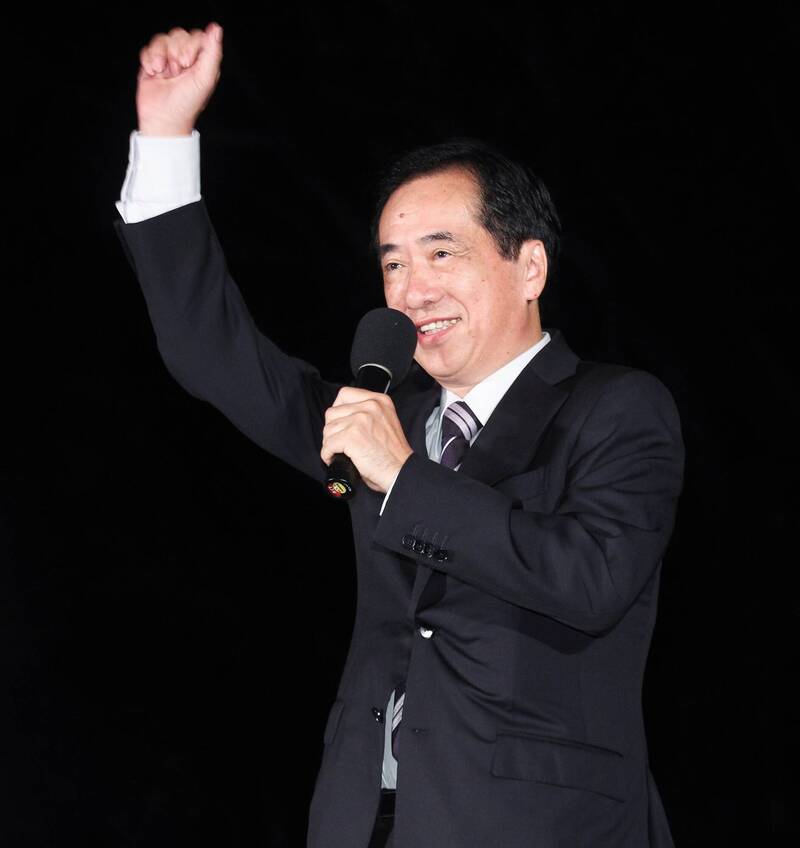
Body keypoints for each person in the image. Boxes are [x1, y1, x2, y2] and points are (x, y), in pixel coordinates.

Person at [114, 22, 685, 848]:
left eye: (440, 254)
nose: (411, 291)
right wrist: (166, 137)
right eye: (392, 264)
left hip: (538, 824)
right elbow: (212, 352)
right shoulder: (382, 414)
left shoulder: (617, 409)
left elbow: (591, 578)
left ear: (529, 267)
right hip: (366, 820)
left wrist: (406, 477)